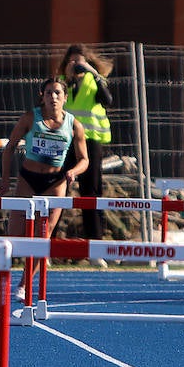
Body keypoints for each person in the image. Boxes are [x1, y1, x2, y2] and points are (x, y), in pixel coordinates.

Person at [0, 78, 89, 238]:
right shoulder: (30, 118)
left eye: (57, 93)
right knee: (15, 234)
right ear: (42, 97)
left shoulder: (74, 125)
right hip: (28, 179)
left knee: (43, 234)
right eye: (49, 93)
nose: (53, 97)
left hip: (55, 182)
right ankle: (11, 261)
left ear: (65, 97)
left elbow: (84, 160)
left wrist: (73, 172)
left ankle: (39, 263)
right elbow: (10, 148)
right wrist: (5, 178)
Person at [58, 44, 114, 256]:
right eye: (71, 62)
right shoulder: (62, 85)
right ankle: (48, 244)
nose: (76, 66)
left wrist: (92, 73)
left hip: (90, 142)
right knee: (58, 189)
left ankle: (95, 247)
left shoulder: (95, 81)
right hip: (66, 141)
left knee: (90, 192)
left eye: (79, 62)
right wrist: (70, 80)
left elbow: (107, 100)